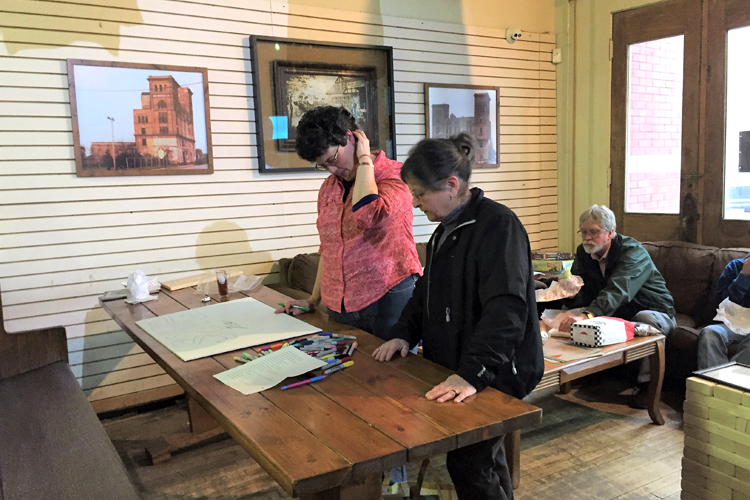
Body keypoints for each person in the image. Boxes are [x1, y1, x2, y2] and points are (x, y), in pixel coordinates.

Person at [373, 133, 544, 500]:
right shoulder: (443, 233)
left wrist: (472, 374)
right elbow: (426, 292)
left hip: (496, 369)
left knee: (468, 463)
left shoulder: (499, 226)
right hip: (460, 363)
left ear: (452, 185)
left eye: (419, 194)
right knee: (482, 460)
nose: (416, 204)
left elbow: (507, 311)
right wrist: (403, 333)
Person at [275, 106, 421, 491]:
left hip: (389, 295)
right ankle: (354, 466)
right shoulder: (329, 188)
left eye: (332, 159)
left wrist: (362, 159)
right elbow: (329, 246)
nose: (330, 171)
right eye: (321, 165)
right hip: (343, 303)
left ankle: (395, 475)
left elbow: (369, 214)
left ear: (352, 137)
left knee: (390, 395)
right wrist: (313, 297)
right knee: (347, 392)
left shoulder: (396, 177)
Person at [557, 205, 676, 406]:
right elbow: (584, 291)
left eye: (594, 232)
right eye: (583, 232)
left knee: (643, 320)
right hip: (617, 311)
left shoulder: (633, 253)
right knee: (570, 314)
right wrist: (568, 295)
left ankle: (647, 386)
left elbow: (618, 290)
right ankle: (583, 371)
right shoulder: (584, 252)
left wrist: (588, 314)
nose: (587, 238)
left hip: (655, 312)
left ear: (610, 232)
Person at [697, 253, 750, 369]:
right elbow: (721, 301)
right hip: (732, 323)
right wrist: (743, 277)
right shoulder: (735, 266)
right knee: (710, 333)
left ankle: (728, 384)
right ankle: (712, 380)